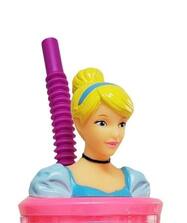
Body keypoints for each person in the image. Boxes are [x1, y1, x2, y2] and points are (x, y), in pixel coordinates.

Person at [29, 68, 150, 198]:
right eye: (102, 123)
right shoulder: (56, 183)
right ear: (79, 123)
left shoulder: (134, 184)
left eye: (121, 124)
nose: (116, 133)